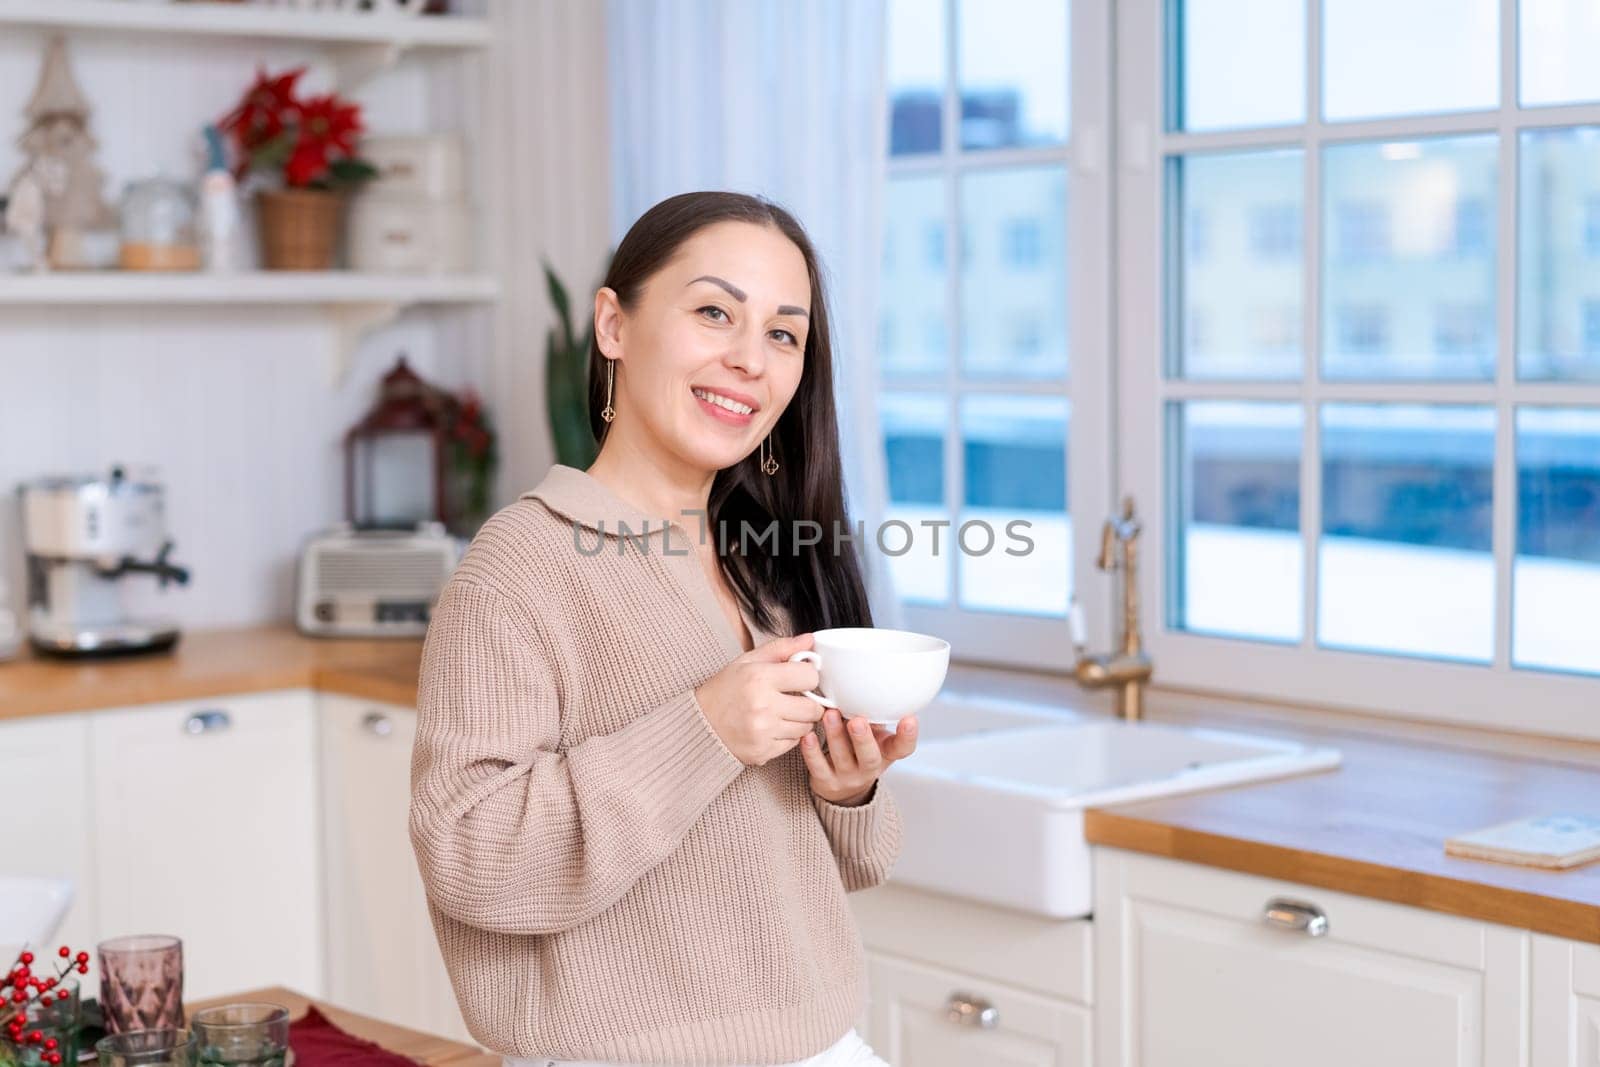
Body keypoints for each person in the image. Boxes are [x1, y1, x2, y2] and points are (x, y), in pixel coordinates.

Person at [409, 190, 919, 1067]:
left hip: (823, 1046)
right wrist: (706, 729)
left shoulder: (773, 556)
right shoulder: (521, 564)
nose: (749, 360)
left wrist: (848, 790)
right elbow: (470, 856)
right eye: (714, 311)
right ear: (613, 323)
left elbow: (845, 864)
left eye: (783, 334)